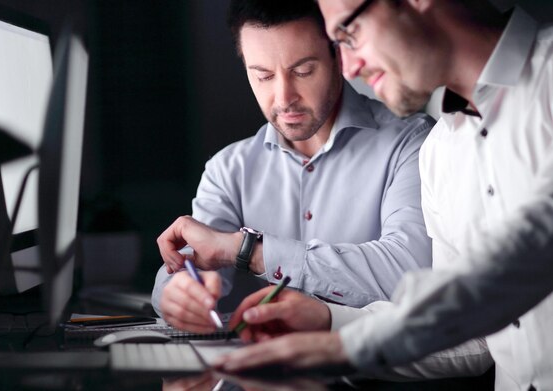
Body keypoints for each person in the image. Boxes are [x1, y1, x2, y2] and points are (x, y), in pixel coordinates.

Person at [213, 1, 553, 389]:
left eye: (350, 34)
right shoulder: (441, 150)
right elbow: (470, 337)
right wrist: (327, 325)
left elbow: (529, 252)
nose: (349, 65)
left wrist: (341, 349)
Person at [153, 0, 435, 334]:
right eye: (264, 76)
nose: (284, 97)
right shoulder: (227, 169)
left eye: (302, 71)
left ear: (338, 55)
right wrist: (178, 294)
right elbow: (188, 266)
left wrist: (250, 252)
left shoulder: (413, 144)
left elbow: (410, 276)